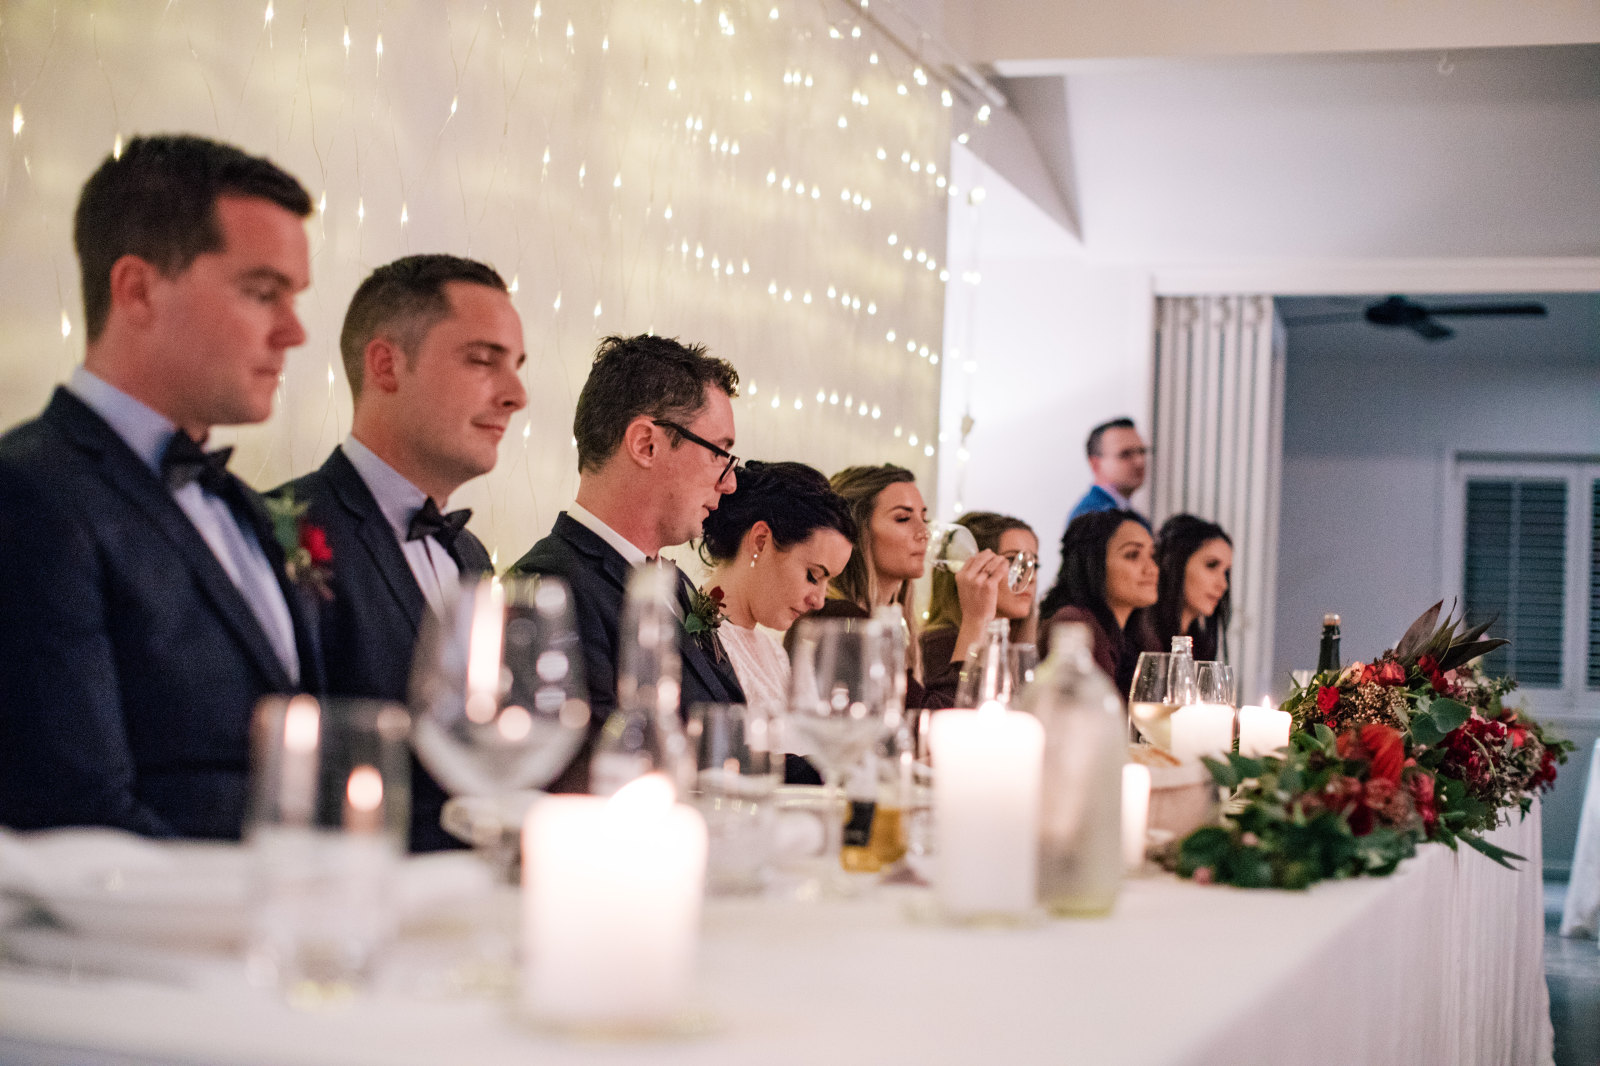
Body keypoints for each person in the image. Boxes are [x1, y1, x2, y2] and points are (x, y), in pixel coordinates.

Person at [0, 135, 321, 838]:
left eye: (294, 297)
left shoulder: (247, 507)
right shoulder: (27, 493)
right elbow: (75, 817)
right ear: (137, 290)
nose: (294, 332)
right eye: (262, 292)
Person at [273, 254, 527, 850]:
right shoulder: (284, 529)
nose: (516, 395)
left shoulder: (469, 554)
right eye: (483, 360)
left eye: (516, 367)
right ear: (386, 365)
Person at [507, 333, 745, 791]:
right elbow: (596, 770)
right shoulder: (547, 589)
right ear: (646, 444)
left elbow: (727, 735)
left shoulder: (676, 585)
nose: (730, 482)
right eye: (719, 452)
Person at [805, 465, 1010, 709]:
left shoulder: (896, 626)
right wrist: (975, 621)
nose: (924, 532)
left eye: (924, 519)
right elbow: (932, 723)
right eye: (903, 518)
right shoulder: (841, 623)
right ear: (857, 531)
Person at [695, 460, 855, 721]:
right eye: (813, 575)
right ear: (761, 541)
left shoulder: (776, 656)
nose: (819, 602)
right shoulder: (690, 638)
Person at [1038, 509, 1158, 696]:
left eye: (1152, 555)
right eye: (1133, 555)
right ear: (1093, 562)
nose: (1151, 569)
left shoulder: (1135, 634)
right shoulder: (1076, 624)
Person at [920, 511, 1040, 694]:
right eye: (1012, 560)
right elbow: (955, 706)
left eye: (1033, 565)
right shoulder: (939, 645)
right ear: (969, 566)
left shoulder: (1020, 649)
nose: (1029, 577)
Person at [1149, 514, 1233, 662]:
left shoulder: (1199, 647)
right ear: (1175, 563)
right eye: (1211, 565)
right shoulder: (1141, 643)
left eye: (1225, 572)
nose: (1223, 584)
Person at [1068, 417, 1150, 527]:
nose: (1139, 462)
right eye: (1125, 454)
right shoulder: (1091, 520)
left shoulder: (1135, 518)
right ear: (1095, 464)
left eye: (1142, 452)